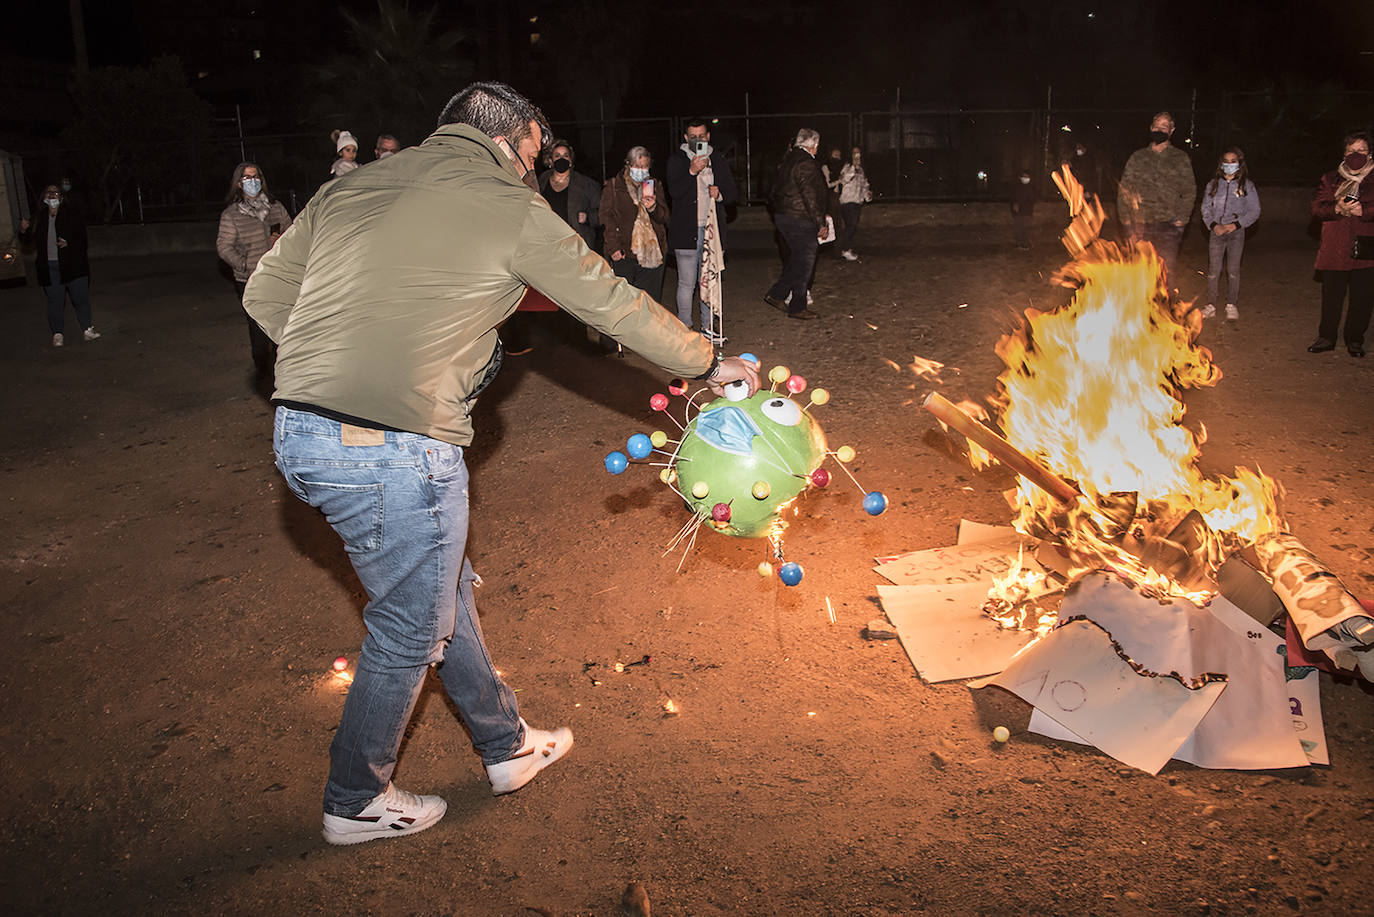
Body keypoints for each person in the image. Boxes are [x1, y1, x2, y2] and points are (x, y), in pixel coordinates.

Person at [243, 80, 760, 846]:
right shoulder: (511, 205)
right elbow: (608, 300)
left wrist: (339, 360)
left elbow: (264, 293)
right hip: (395, 444)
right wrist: (706, 360)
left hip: (300, 432)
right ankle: (354, 797)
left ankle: (506, 745)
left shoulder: (354, 186)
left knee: (440, 590)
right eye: (535, 149)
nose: (536, 163)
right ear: (515, 138)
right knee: (410, 627)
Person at [503, 139, 603, 355]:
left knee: (575, 294)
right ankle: (548, 340)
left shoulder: (585, 184)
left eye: (565, 156)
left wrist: (588, 218)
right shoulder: (542, 181)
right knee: (548, 294)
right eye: (557, 156)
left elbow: (603, 213)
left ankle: (578, 341)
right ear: (550, 160)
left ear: (571, 160)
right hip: (547, 247)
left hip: (575, 246)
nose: (561, 159)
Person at [216, 162, 293, 377]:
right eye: (247, 178)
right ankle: (263, 371)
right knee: (258, 326)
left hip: (277, 275)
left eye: (256, 176)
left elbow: (293, 232)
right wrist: (244, 264)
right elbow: (223, 246)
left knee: (282, 322)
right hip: (249, 279)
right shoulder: (232, 214)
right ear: (239, 183)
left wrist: (282, 240)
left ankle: (284, 368)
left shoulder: (275, 207)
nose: (253, 181)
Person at [666, 118, 738, 339]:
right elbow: (675, 192)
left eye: (702, 136)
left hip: (711, 233)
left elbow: (733, 193)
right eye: (693, 136)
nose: (698, 140)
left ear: (708, 137)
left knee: (708, 282)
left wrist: (720, 194)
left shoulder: (717, 159)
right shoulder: (677, 161)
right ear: (686, 138)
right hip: (686, 232)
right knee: (687, 283)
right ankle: (685, 328)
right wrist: (690, 171)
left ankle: (708, 328)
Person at [1309, 131, 1374, 357]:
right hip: (1335, 247)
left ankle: (1354, 339)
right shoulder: (1330, 179)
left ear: (1370, 154)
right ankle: (1326, 337)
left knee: (1362, 299)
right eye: (1351, 151)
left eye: (1361, 151)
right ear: (1344, 153)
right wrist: (1336, 208)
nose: (1355, 155)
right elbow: (1317, 207)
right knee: (1331, 297)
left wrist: (1363, 211)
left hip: (1365, 249)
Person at [1117, 112, 1196, 286]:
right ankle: (1139, 312)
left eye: (1164, 126)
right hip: (1140, 226)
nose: (1160, 129)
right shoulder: (1138, 158)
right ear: (1151, 128)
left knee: (1165, 272)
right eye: (1157, 126)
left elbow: (1189, 190)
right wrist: (1127, 223)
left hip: (1169, 225)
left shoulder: (1180, 158)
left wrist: (1182, 218)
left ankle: (1163, 310)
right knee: (1139, 272)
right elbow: (1124, 190)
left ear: (1172, 130)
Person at [20, 184, 99, 347]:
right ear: (44, 197)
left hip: (73, 265)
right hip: (49, 267)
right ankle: (57, 333)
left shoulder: (71, 215)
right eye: (49, 192)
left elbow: (82, 239)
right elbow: (28, 241)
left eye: (55, 192)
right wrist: (23, 230)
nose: (52, 195)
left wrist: (68, 242)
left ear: (61, 197)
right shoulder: (39, 217)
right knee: (55, 301)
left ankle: (87, 329)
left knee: (80, 298)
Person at [764, 128, 829, 320]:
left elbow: (773, 191)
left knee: (798, 259)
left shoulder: (789, 159)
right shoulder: (806, 163)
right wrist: (820, 223)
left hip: (786, 216)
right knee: (806, 262)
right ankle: (797, 306)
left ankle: (777, 294)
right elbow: (810, 197)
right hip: (800, 219)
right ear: (814, 145)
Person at [600, 145, 669, 302]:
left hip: (653, 254)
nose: (642, 170)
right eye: (637, 166)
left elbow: (664, 217)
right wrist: (613, 247)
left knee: (649, 302)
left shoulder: (654, 185)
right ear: (628, 165)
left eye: (645, 167)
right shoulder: (614, 186)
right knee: (625, 301)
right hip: (625, 254)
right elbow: (606, 218)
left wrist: (653, 208)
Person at [1199, 148, 1260, 321]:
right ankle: (1211, 304)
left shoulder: (1247, 186)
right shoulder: (1213, 185)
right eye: (1226, 161)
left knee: (1233, 270)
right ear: (1221, 164)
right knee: (1213, 271)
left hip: (1236, 234)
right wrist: (1213, 225)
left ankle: (1231, 304)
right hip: (1216, 233)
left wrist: (1236, 224)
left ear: (1239, 164)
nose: (1229, 164)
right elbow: (1205, 208)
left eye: (1233, 161)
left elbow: (1254, 211)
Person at [836, 146, 872, 261]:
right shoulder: (847, 167)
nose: (857, 156)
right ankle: (844, 249)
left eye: (859, 153)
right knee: (851, 225)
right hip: (847, 201)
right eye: (854, 153)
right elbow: (844, 179)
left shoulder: (861, 170)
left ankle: (845, 248)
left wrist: (867, 195)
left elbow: (864, 184)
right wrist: (853, 167)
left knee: (851, 226)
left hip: (857, 201)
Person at [1010, 169, 1035, 251]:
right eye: (1024, 176)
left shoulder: (1031, 188)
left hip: (1026, 212)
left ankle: (1025, 244)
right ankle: (1019, 243)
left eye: (1027, 177)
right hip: (1018, 213)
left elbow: (1031, 200)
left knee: (1025, 229)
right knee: (1018, 228)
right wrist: (1014, 207)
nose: (1025, 178)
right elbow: (1013, 199)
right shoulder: (1017, 188)